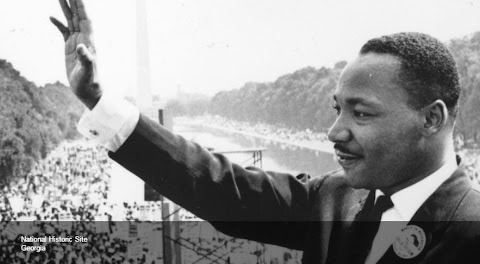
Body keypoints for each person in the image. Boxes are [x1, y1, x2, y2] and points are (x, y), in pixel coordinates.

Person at [49, 1, 480, 263]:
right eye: (337, 110)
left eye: (361, 114)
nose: (333, 132)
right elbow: (218, 186)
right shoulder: (336, 197)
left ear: (431, 119)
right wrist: (98, 101)